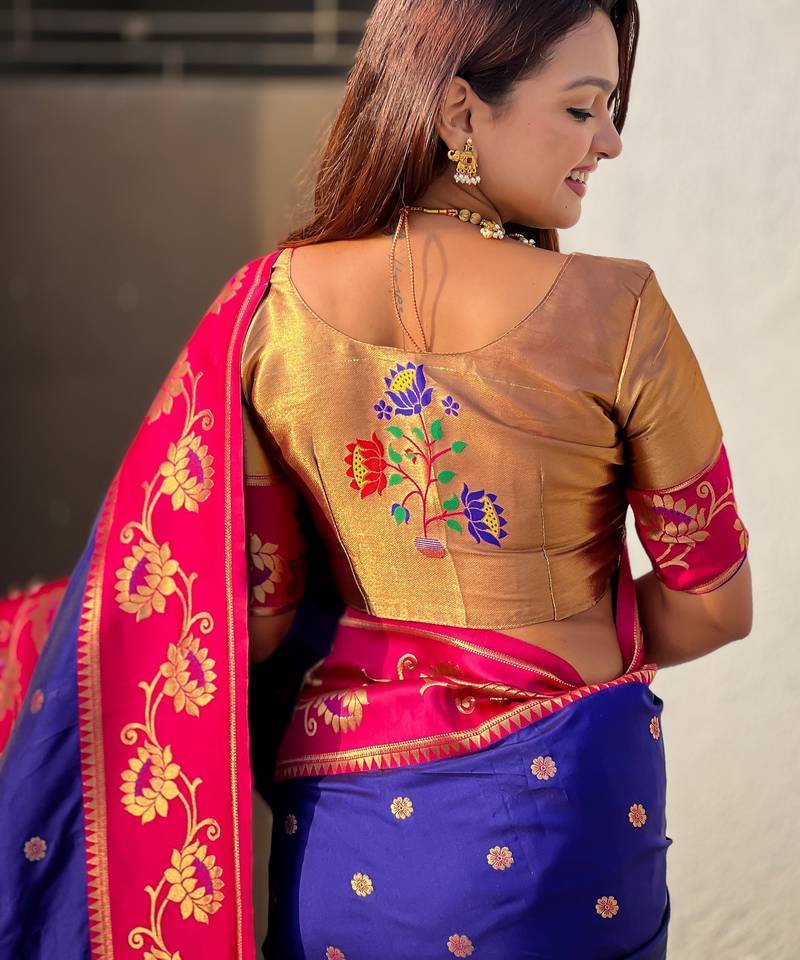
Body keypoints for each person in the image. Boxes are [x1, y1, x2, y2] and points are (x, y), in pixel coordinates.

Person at [0, 1, 751, 959]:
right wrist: (554, 634)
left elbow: (257, 615)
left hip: (348, 830)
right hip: (561, 818)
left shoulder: (268, 312)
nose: (608, 141)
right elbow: (716, 605)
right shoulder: (621, 308)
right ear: (460, 111)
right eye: (582, 108)